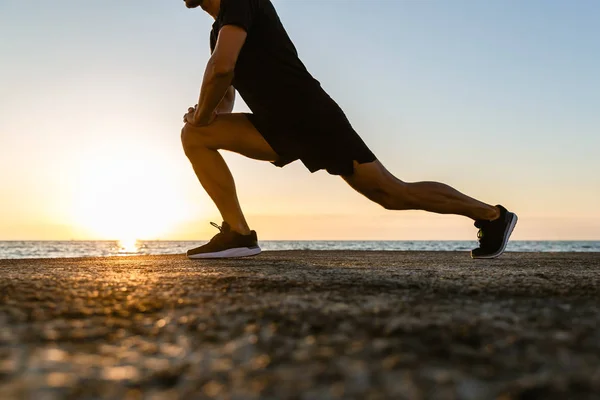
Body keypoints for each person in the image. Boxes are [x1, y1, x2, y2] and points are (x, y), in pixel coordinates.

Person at [180, 0, 518, 259]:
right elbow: (225, 91)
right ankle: (238, 233)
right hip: (274, 125)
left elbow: (221, 69)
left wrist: (204, 114)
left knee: (392, 193)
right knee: (195, 134)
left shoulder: (241, 1)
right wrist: (204, 115)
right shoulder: (219, 32)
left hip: (312, 117)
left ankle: (491, 215)